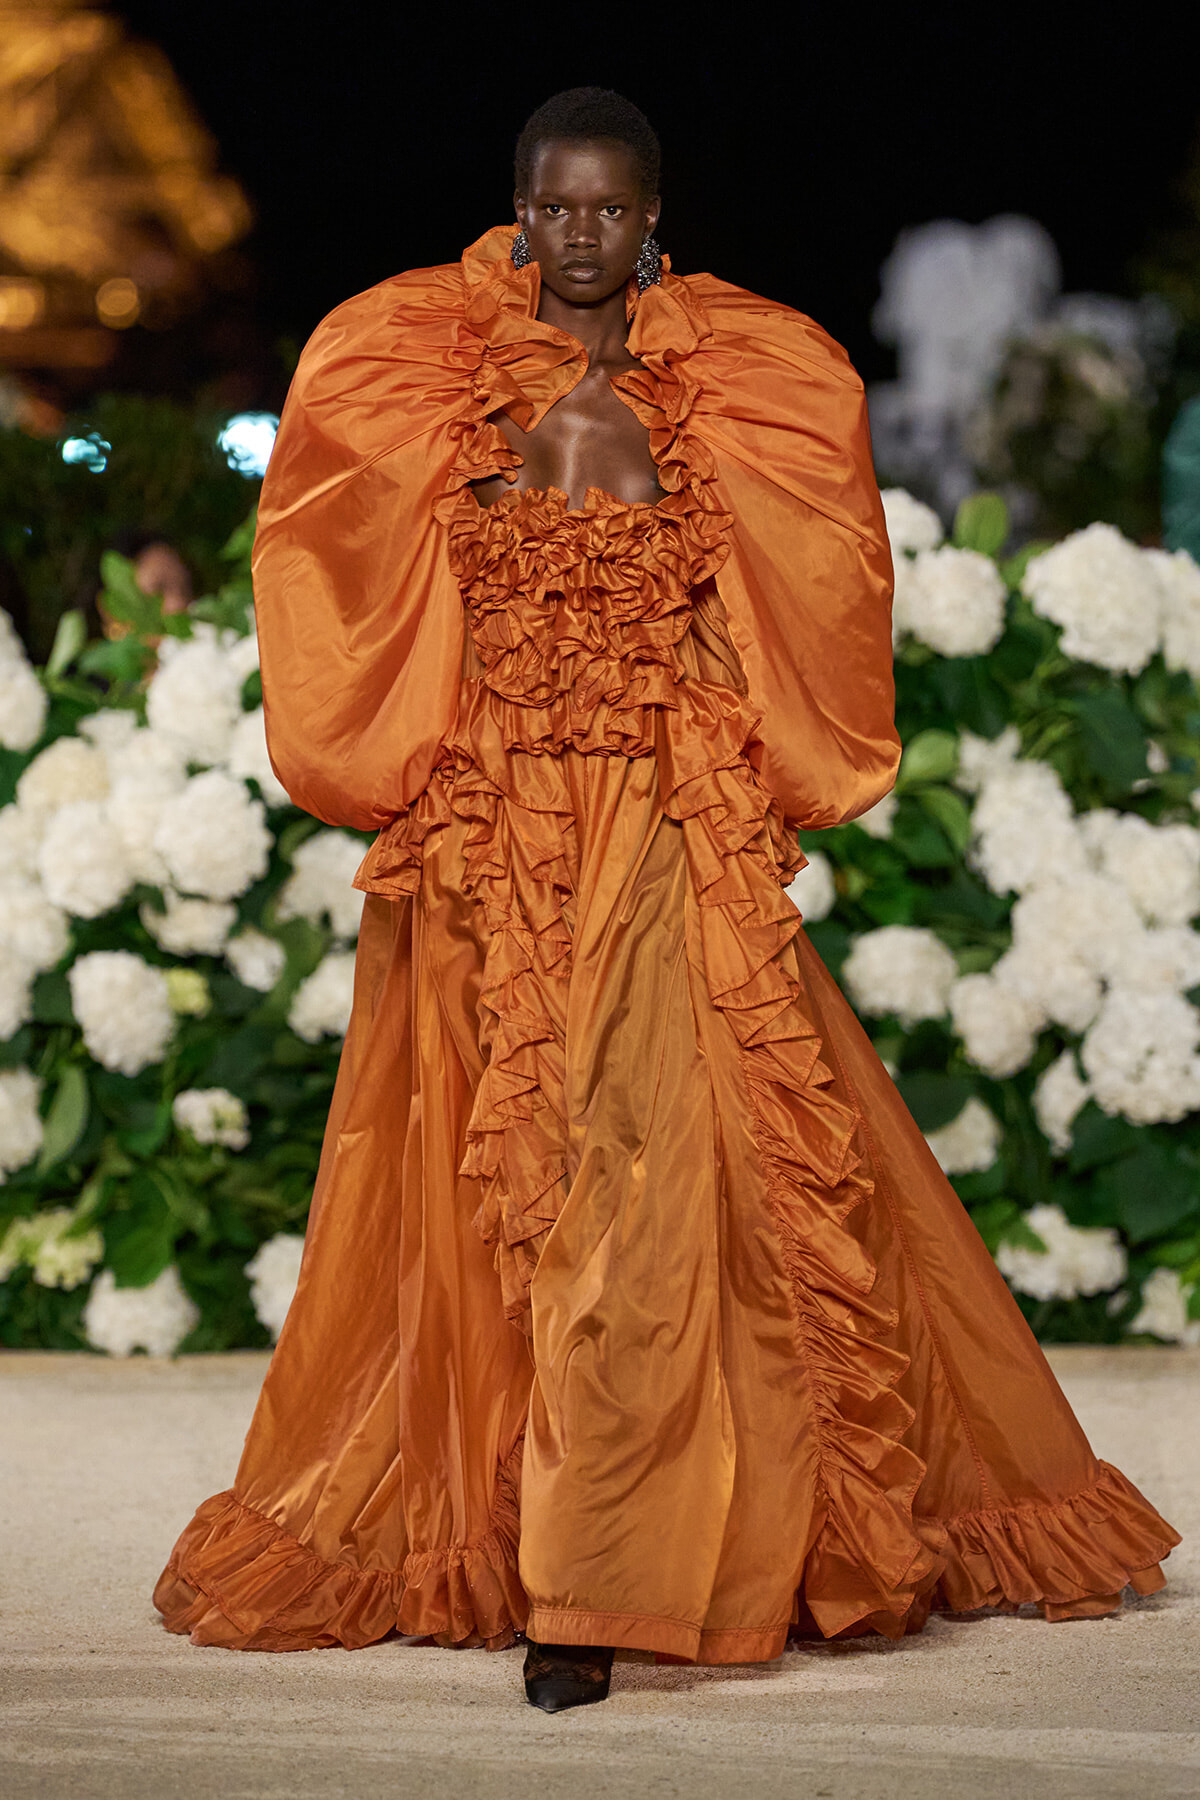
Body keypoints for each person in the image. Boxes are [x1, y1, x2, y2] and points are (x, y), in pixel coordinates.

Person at [154, 88, 1179, 1712]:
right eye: (553, 208)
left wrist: (716, 745)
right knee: (498, 1182)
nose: (579, 236)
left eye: (609, 210)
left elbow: (813, 589)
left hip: (653, 819)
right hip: (493, 832)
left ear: (652, 220)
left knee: (634, 1181)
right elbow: (336, 574)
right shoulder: (413, 368)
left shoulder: (741, 379)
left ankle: (596, 1578)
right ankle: (536, 1534)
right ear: (514, 209)